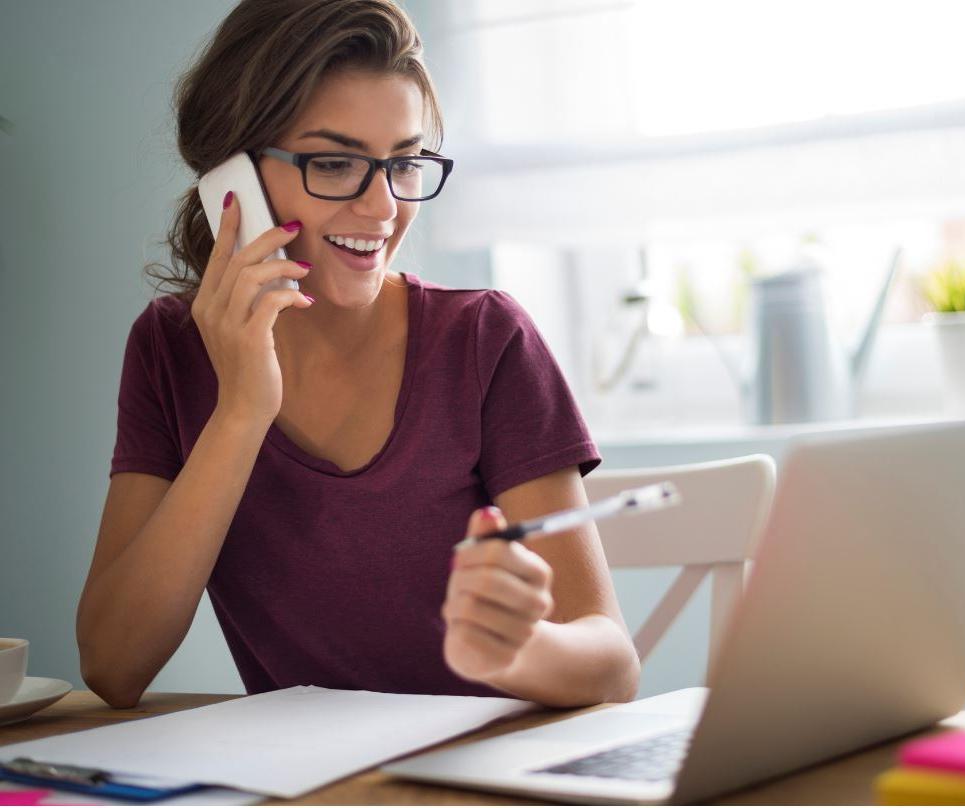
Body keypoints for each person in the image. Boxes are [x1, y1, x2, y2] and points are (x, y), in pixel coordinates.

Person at [76, 0, 640, 710]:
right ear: (232, 182)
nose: (382, 210)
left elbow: (613, 663)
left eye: (404, 164)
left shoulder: (485, 340)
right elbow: (113, 663)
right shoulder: (170, 349)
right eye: (336, 163)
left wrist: (520, 648)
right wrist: (243, 410)